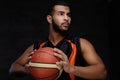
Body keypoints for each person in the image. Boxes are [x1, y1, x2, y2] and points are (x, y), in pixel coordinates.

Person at [9, 0, 107, 80]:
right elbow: (13, 68)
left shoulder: (81, 44)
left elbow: (102, 72)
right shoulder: (37, 47)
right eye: (61, 14)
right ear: (50, 19)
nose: (66, 18)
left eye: (68, 15)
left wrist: (72, 69)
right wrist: (26, 70)